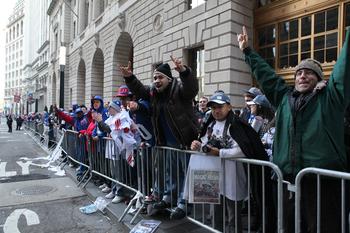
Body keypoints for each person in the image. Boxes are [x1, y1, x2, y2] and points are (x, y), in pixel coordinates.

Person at [237, 26, 350, 233]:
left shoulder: (330, 99)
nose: (302, 76)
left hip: (322, 183)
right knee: (288, 227)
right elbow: (267, 76)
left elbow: (344, 70)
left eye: (309, 73)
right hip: (287, 181)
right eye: (299, 73)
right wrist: (247, 51)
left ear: (319, 78)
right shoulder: (283, 98)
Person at [120, 55, 199, 219]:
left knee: (186, 173)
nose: (156, 80)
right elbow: (140, 90)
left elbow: (192, 89)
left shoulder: (179, 89)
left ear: (169, 79)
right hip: (166, 142)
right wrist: (130, 77)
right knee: (171, 171)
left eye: (160, 77)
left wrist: (184, 72)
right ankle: (168, 197)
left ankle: (184, 204)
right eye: (155, 77)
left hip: (185, 141)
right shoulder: (153, 93)